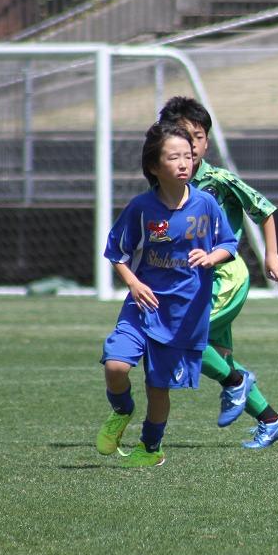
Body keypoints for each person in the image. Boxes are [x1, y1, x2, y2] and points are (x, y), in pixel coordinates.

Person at [96, 121, 238, 467]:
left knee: (158, 386)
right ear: (154, 167)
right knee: (116, 365)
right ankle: (122, 410)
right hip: (143, 305)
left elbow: (229, 243)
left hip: (184, 312)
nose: (184, 163)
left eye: (188, 156)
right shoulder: (141, 207)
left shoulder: (205, 204)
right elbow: (117, 252)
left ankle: (150, 447)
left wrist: (211, 256)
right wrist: (133, 282)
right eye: (174, 157)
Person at [157, 96, 278, 449]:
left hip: (225, 278)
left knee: (184, 339)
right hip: (191, 282)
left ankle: (237, 381)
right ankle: (271, 419)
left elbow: (264, 209)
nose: (192, 146)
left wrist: (271, 255)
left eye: (198, 137)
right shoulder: (164, 186)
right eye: (184, 137)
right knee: (218, 361)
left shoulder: (218, 180)